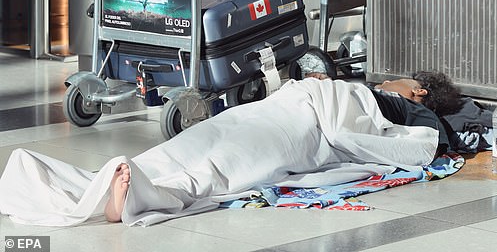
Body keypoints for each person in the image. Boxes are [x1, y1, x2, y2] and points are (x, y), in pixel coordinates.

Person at [0, 71, 463, 227]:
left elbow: (425, 138)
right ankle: (110, 184)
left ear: (419, 90)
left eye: (403, 80)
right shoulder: (371, 89)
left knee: (222, 165)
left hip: (304, 124)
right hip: (277, 108)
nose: (390, 79)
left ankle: (139, 195)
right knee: (194, 143)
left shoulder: (400, 106)